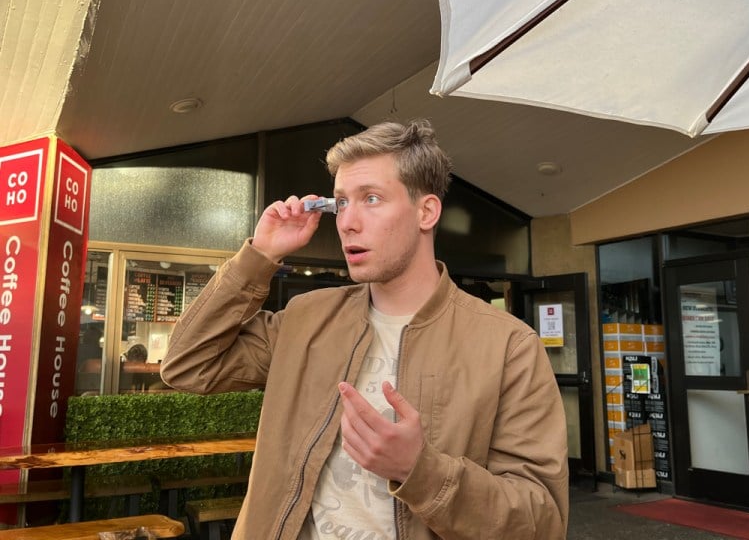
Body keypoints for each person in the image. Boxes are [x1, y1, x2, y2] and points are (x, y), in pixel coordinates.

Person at [161, 120, 569, 540]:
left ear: (426, 211)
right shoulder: (305, 319)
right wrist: (259, 256)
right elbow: (188, 365)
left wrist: (420, 470)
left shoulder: (508, 346)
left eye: (371, 198)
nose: (347, 222)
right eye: (341, 202)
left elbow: (541, 523)